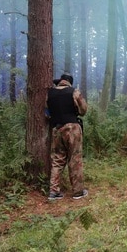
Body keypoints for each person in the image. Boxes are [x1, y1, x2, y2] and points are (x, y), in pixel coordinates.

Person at [46, 72, 88, 201]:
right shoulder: (74, 92)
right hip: (72, 128)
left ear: (60, 81)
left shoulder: (50, 93)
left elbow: (46, 112)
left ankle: (53, 192)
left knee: (57, 160)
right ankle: (77, 191)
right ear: (69, 82)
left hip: (56, 129)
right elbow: (84, 110)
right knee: (75, 159)